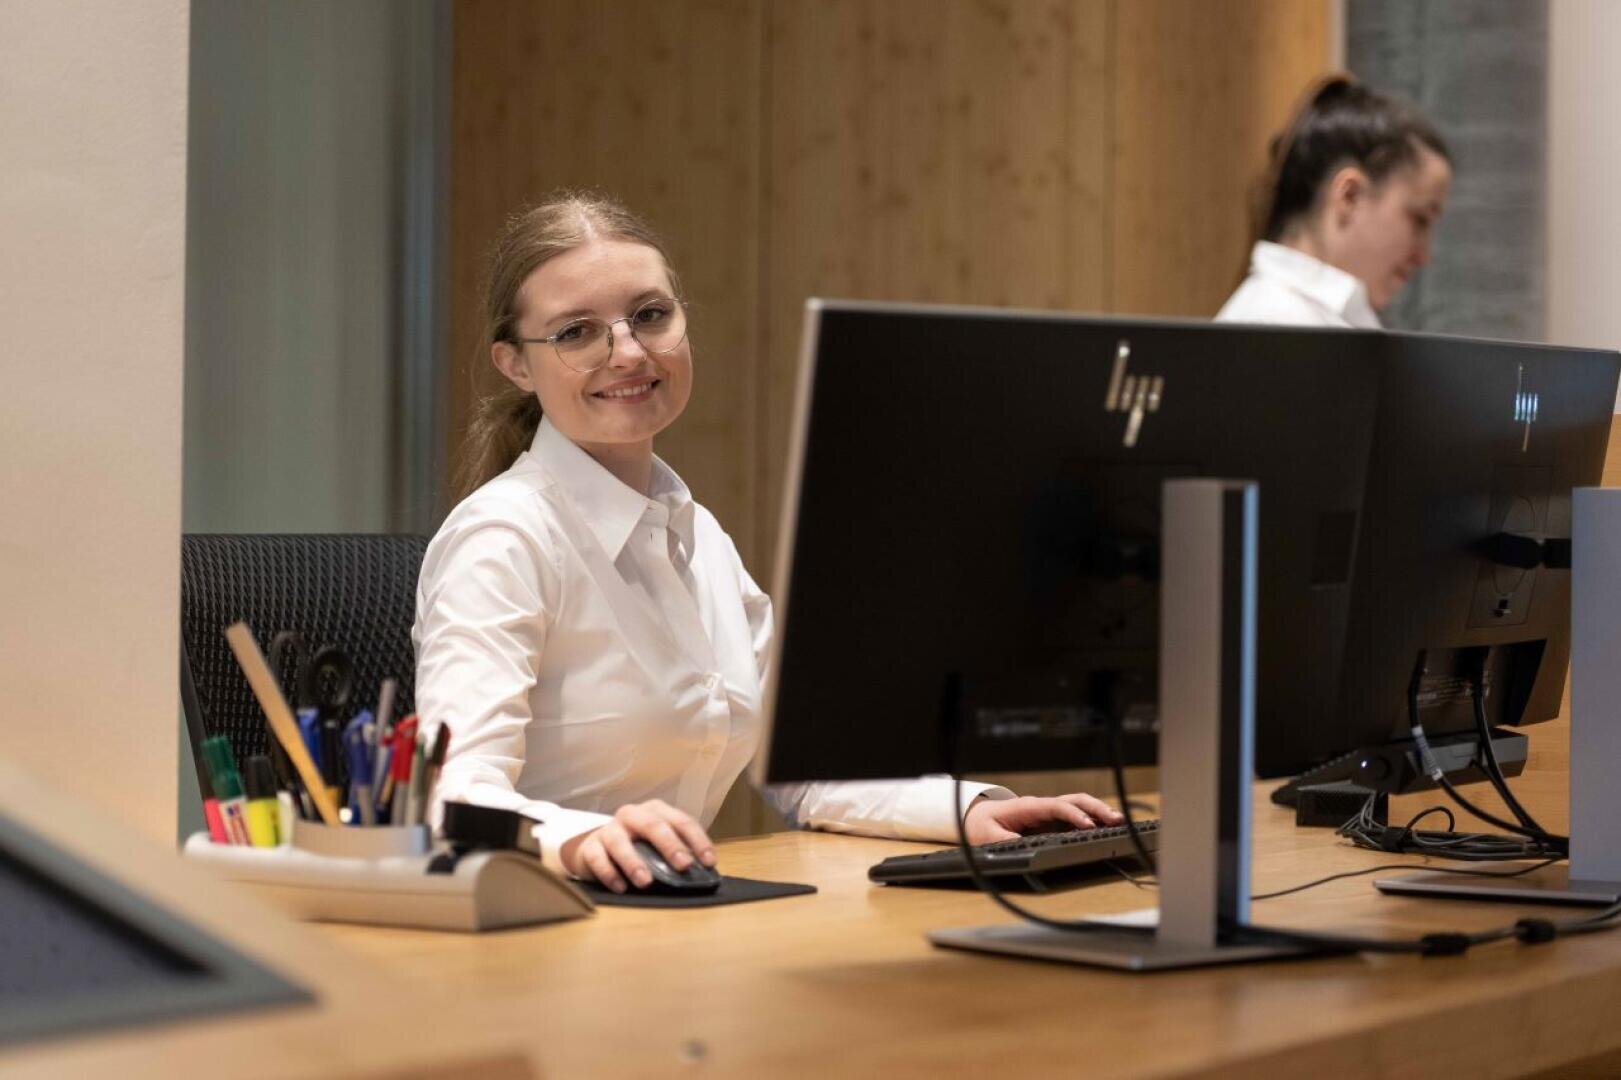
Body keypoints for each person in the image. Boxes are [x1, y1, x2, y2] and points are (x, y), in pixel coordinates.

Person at [414, 192, 1123, 892]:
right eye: (575, 332)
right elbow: (455, 798)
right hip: (542, 929)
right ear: (513, 364)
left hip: (666, 921)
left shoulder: (696, 533)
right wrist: (579, 839)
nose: (627, 351)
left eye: (650, 316)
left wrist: (968, 810)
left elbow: (804, 770)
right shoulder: (501, 537)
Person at [1217, 74, 1452, 328]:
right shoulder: (1277, 324)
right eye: (1420, 219)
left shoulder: (1312, 319)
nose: (1423, 256)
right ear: (1349, 196)